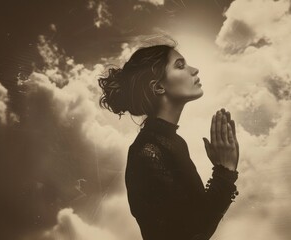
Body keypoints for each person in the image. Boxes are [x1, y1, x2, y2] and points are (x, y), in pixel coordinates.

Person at [98, 42, 240, 240]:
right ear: (158, 87)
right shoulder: (147, 151)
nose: (194, 70)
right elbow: (195, 231)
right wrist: (225, 171)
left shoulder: (172, 142)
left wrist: (222, 169)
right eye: (180, 65)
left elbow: (197, 219)